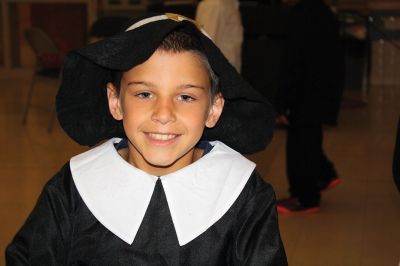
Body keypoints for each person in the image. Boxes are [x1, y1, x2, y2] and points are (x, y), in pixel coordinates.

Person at [6, 13, 288, 265]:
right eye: (144, 94)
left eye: (185, 97)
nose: (163, 114)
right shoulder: (72, 187)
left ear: (213, 109)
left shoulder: (243, 193)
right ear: (115, 101)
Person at [274, 0, 344, 214]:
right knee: (310, 139)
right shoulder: (322, 10)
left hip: (305, 93)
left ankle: (305, 197)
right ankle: (324, 174)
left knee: (299, 145)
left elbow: (293, 61)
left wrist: (282, 102)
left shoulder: (301, 14)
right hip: (322, 89)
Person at [195, 0, 243, 72]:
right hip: (218, 73)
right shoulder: (215, 4)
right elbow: (206, 44)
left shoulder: (228, 3)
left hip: (227, 71)